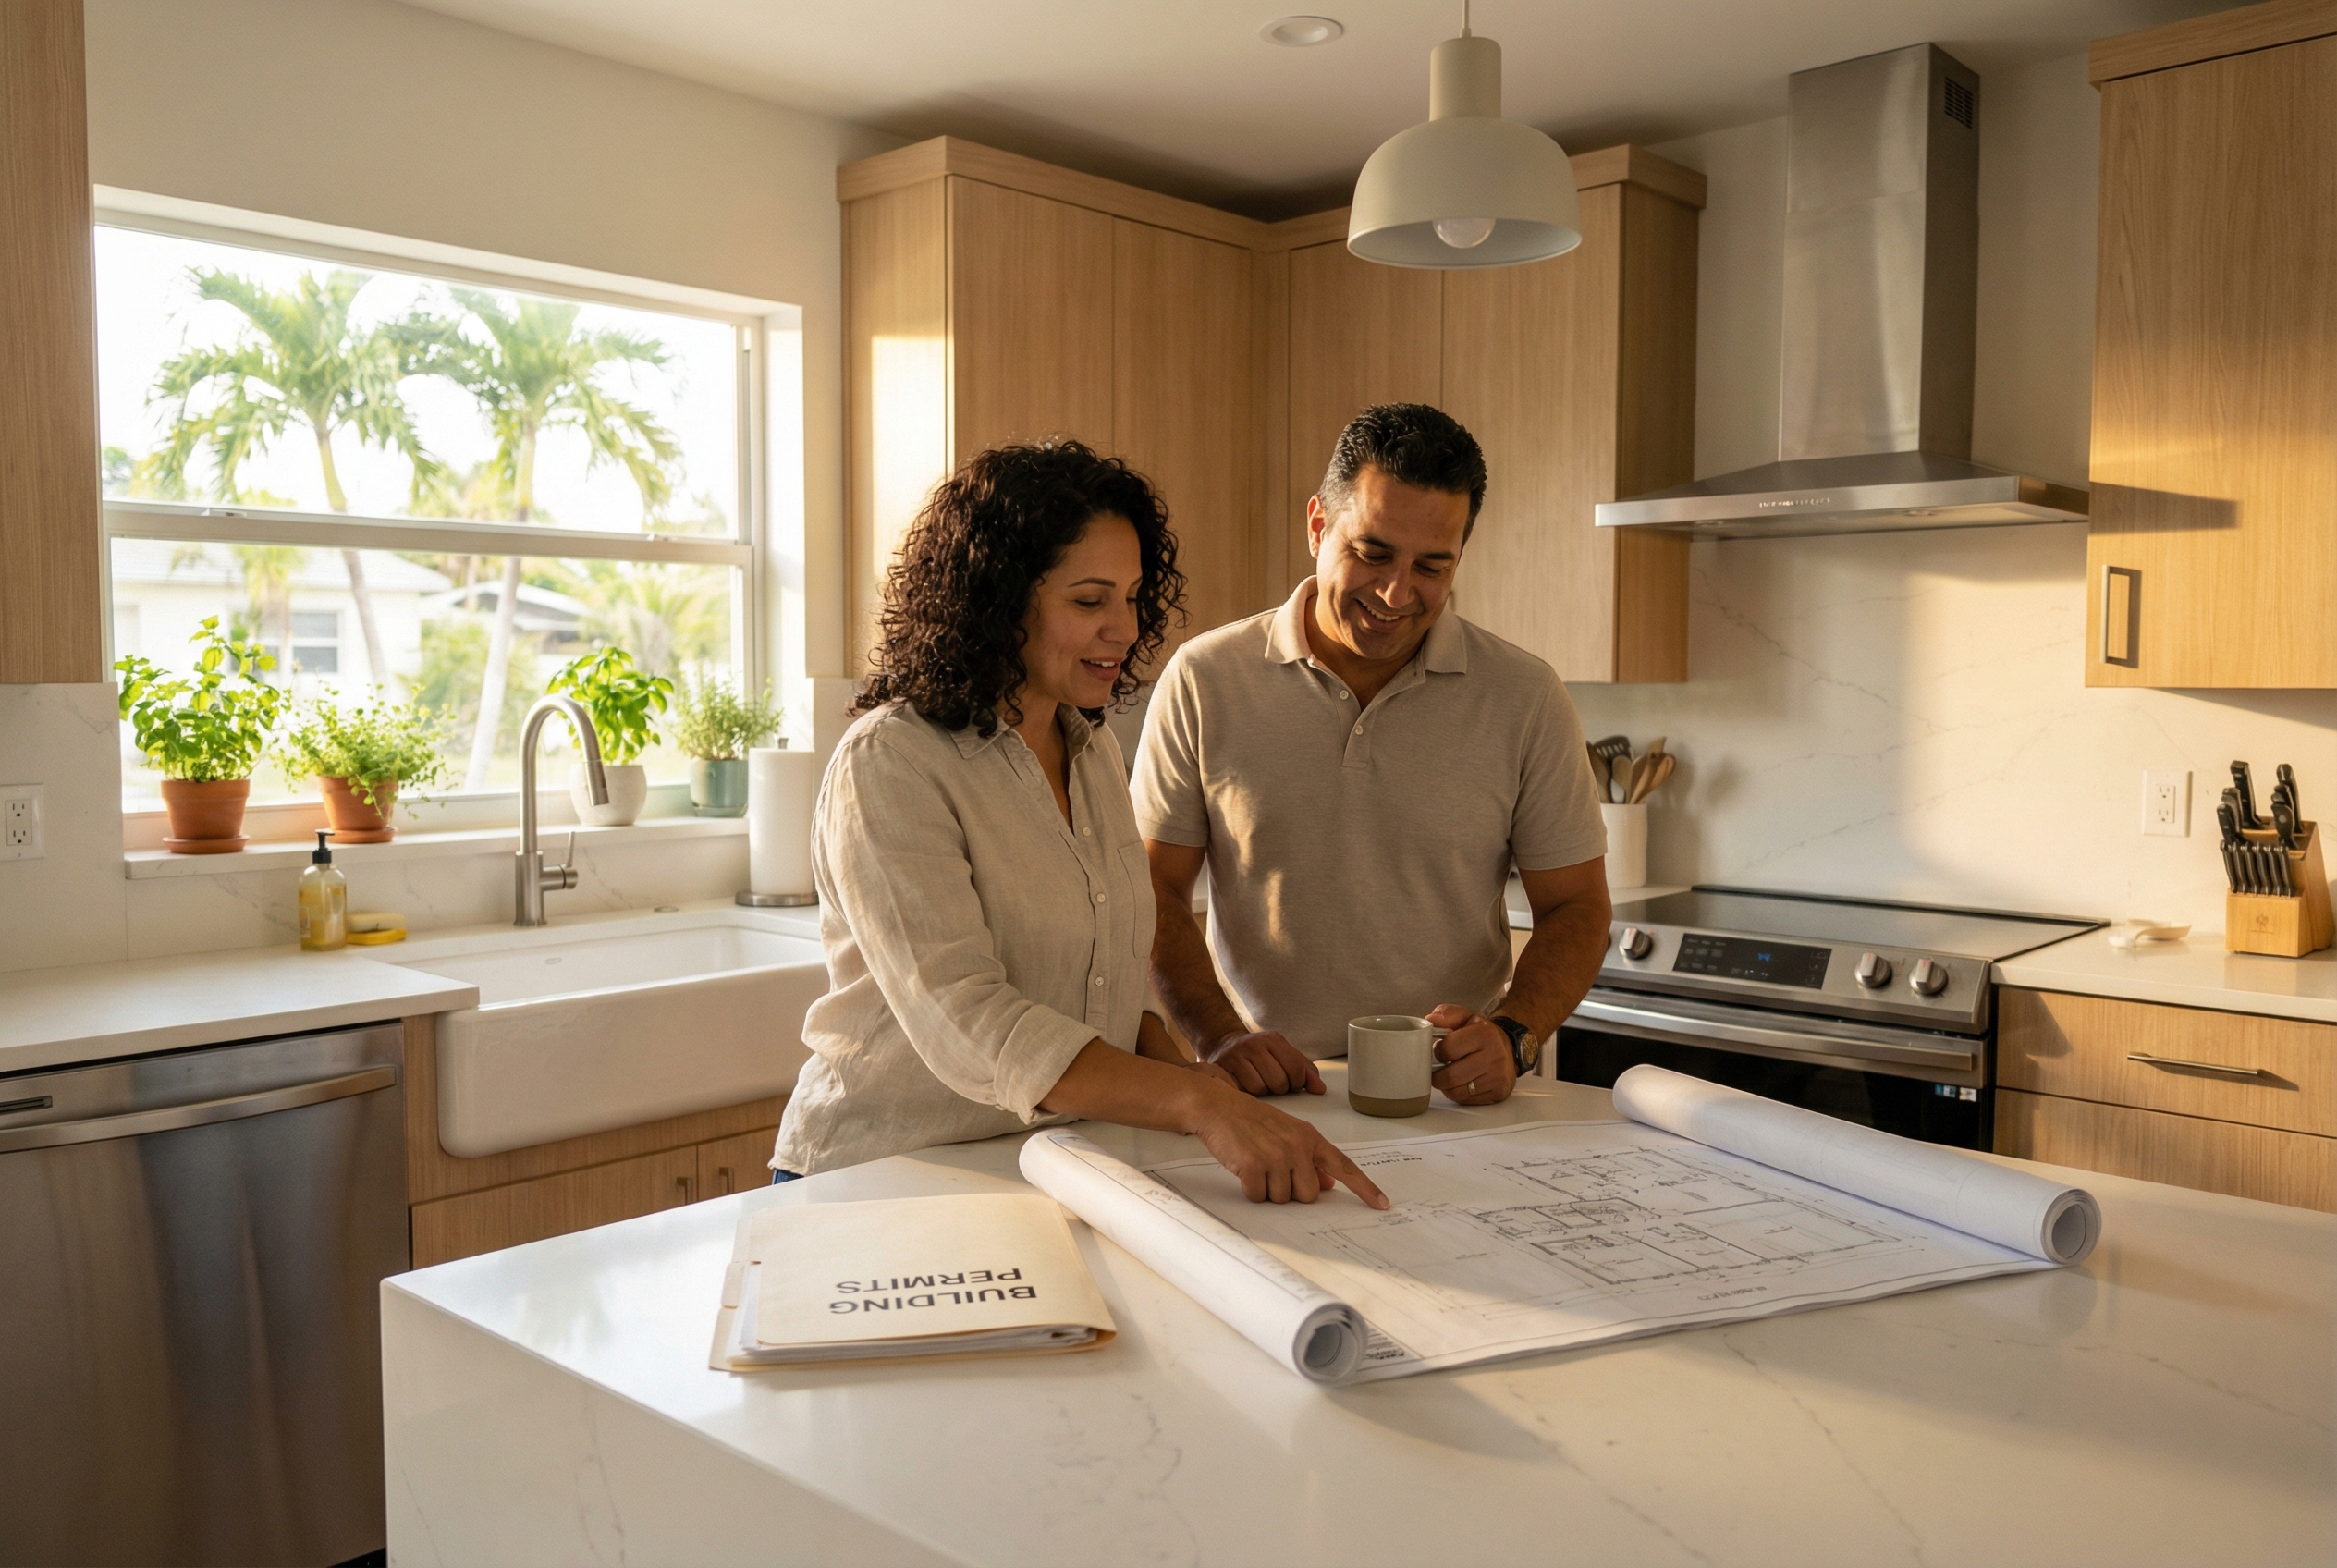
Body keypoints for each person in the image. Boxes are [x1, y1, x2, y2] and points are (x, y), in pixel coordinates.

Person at [770, 439, 1387, 1209]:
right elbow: (970, 1022)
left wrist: (1205, 1084)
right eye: (1090, 602)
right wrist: (1199, 1104)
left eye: (1132, 598)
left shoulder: (1089, 749)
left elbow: (1105, 993)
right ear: (998, 602)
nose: (1125, 629)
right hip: (880, 1182)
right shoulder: (892, 762)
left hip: (1046, 1168)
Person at [1132, 403, 1611, 1108]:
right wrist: (1221, 1039)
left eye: (1432, 566)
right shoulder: (1204, 680)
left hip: (1450, 1095)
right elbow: (1151, 890)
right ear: (1317, 526)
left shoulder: (1525, 697)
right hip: (1263, 1090)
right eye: (1373, 553)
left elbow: (1577, 907)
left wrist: (1514, 1034)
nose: (1396, 593)